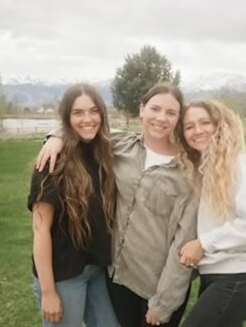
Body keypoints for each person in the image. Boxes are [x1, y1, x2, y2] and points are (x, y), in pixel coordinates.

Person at [36, 82, 198, 327]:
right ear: (141, 109)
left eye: (171, 112)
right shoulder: (122, 145)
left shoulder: (189, 172)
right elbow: (84, 127)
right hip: (117, 281)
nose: (161, 118)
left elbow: (184, 243)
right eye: (154, 108)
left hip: (157, 288)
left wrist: (164, 301)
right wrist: (55, 136)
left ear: (179, 118)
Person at [27, 83, 118, 327]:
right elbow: (40, 229)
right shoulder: (52, 161)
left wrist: (56, 135)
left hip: (95, 269)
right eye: (78, 113)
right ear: (67, 118)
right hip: (62, 275)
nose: (87, 119)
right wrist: (48, 293)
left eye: (93, 111)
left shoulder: (103, 151)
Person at [177, 100, 246, 327]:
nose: (197, 131)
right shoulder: (207, 168)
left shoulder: (239, 163)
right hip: (216, 276)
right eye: (189, 126)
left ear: (220, 125)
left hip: (236, 278)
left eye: (204, 123)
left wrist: (203, 243)